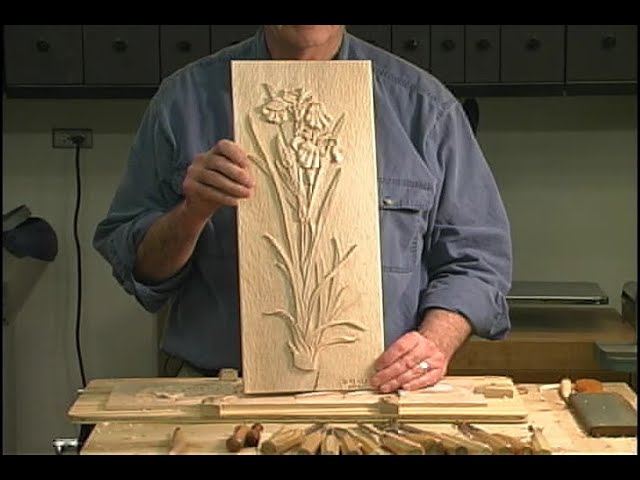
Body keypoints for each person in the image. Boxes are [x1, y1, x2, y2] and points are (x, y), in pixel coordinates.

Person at [94, 25, 512, 393]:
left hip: (376, 396)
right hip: (216, 395)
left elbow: (477, 260)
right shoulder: (183, 102)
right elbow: (139, 268)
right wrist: (192, 212)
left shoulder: (425, 109)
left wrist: (434, 342)